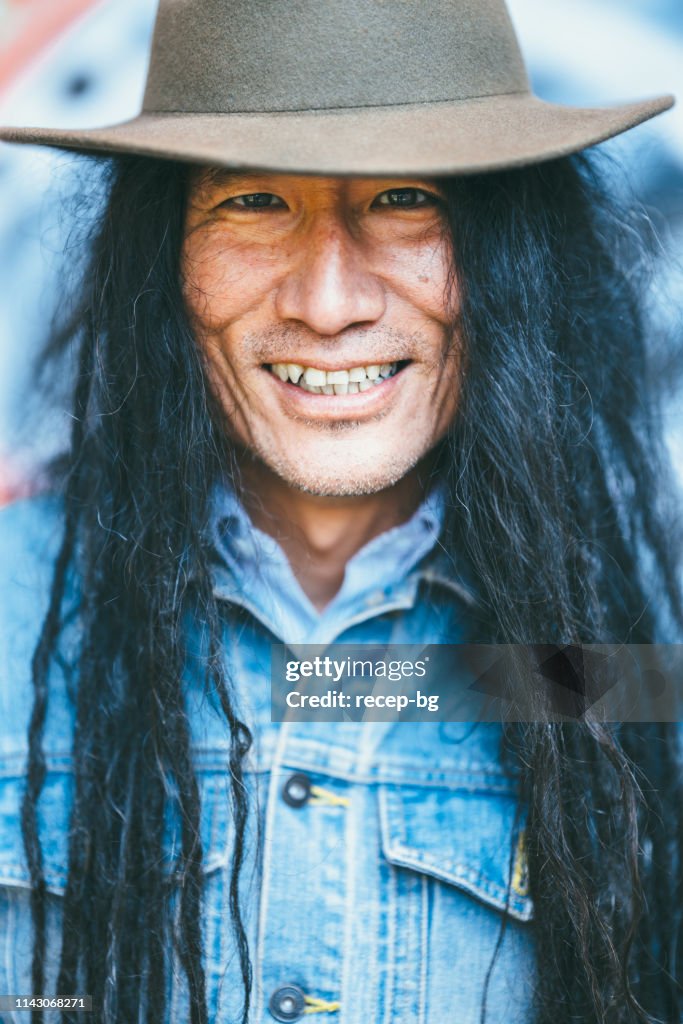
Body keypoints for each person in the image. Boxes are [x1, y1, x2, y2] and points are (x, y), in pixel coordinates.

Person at [0, 1, 682, 1022]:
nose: (327, 303)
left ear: (507, 253)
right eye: (254, 202)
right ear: (163, 260)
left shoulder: (630, 654)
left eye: (405, 197)